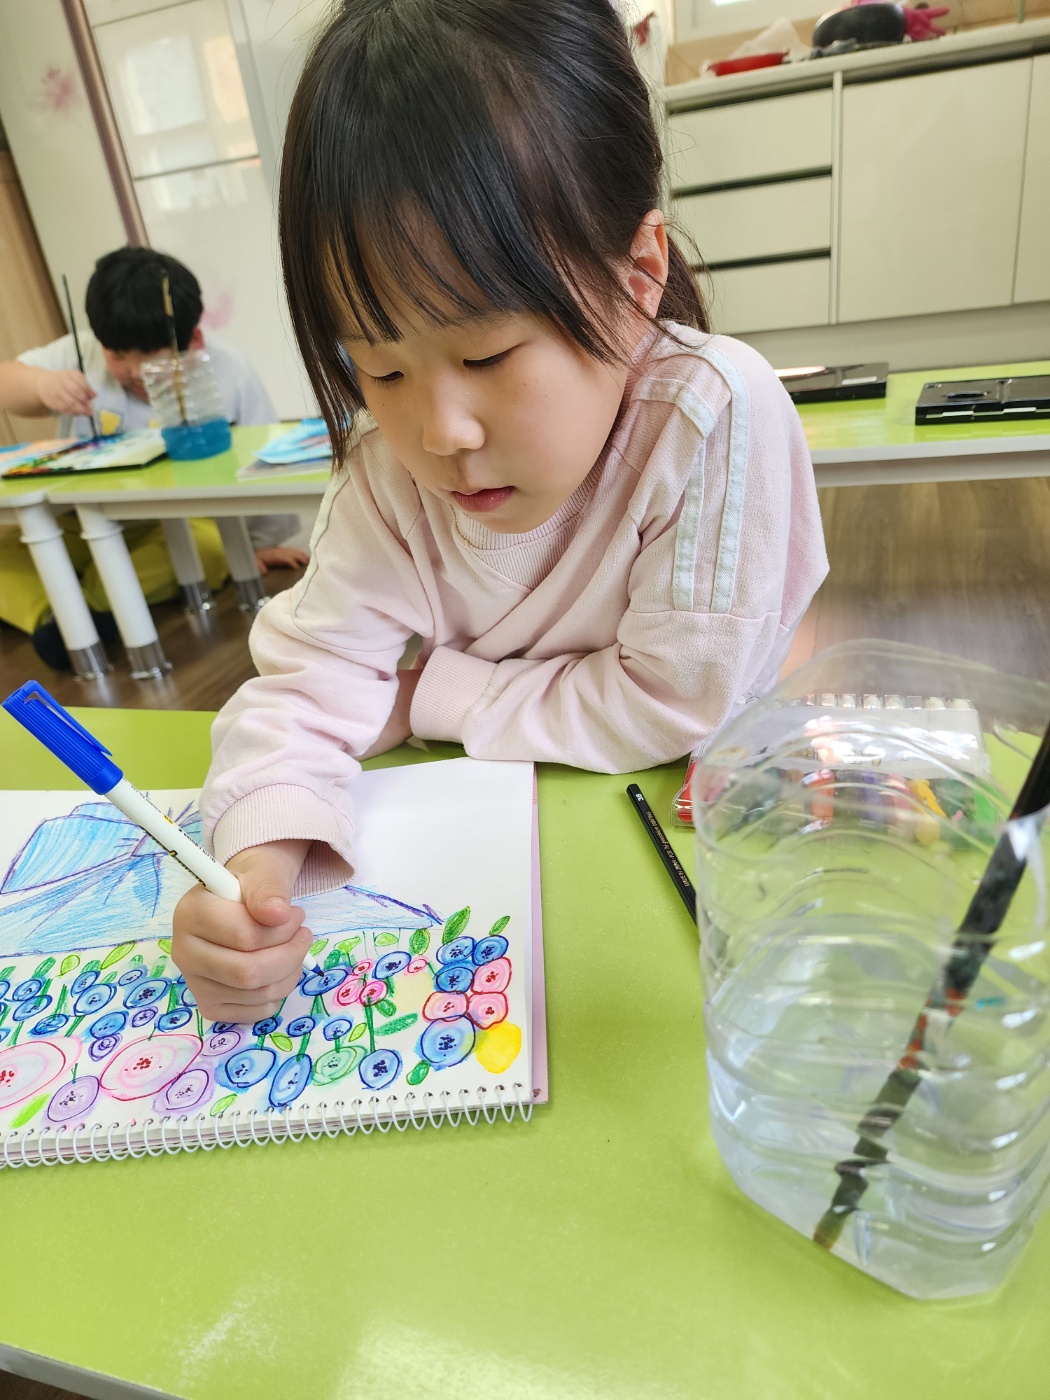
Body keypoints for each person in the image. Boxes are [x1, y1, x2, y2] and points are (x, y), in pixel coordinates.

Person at [172, 0, 829, 1022]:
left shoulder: (713, 417)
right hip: (511, 836)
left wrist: (433, 694)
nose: (439, 432)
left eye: (487, 354)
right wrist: (256, 860)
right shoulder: (386, 477)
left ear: (637, 278)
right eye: (379, 367)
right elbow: (304, 690)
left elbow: (671, 703)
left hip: (707, 838)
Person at [0, 247, 307, 668]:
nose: (131, 371)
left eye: (149, 361)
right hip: (76, 522)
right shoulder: (80, 353)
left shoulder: (228, 370)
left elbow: (263, 457)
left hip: (178, 525)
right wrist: (41, 385)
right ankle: (62, 617)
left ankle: (80, 610)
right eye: (116, 355)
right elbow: (7, 380)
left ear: (194, 340)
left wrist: (261, 545)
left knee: (205, 548)